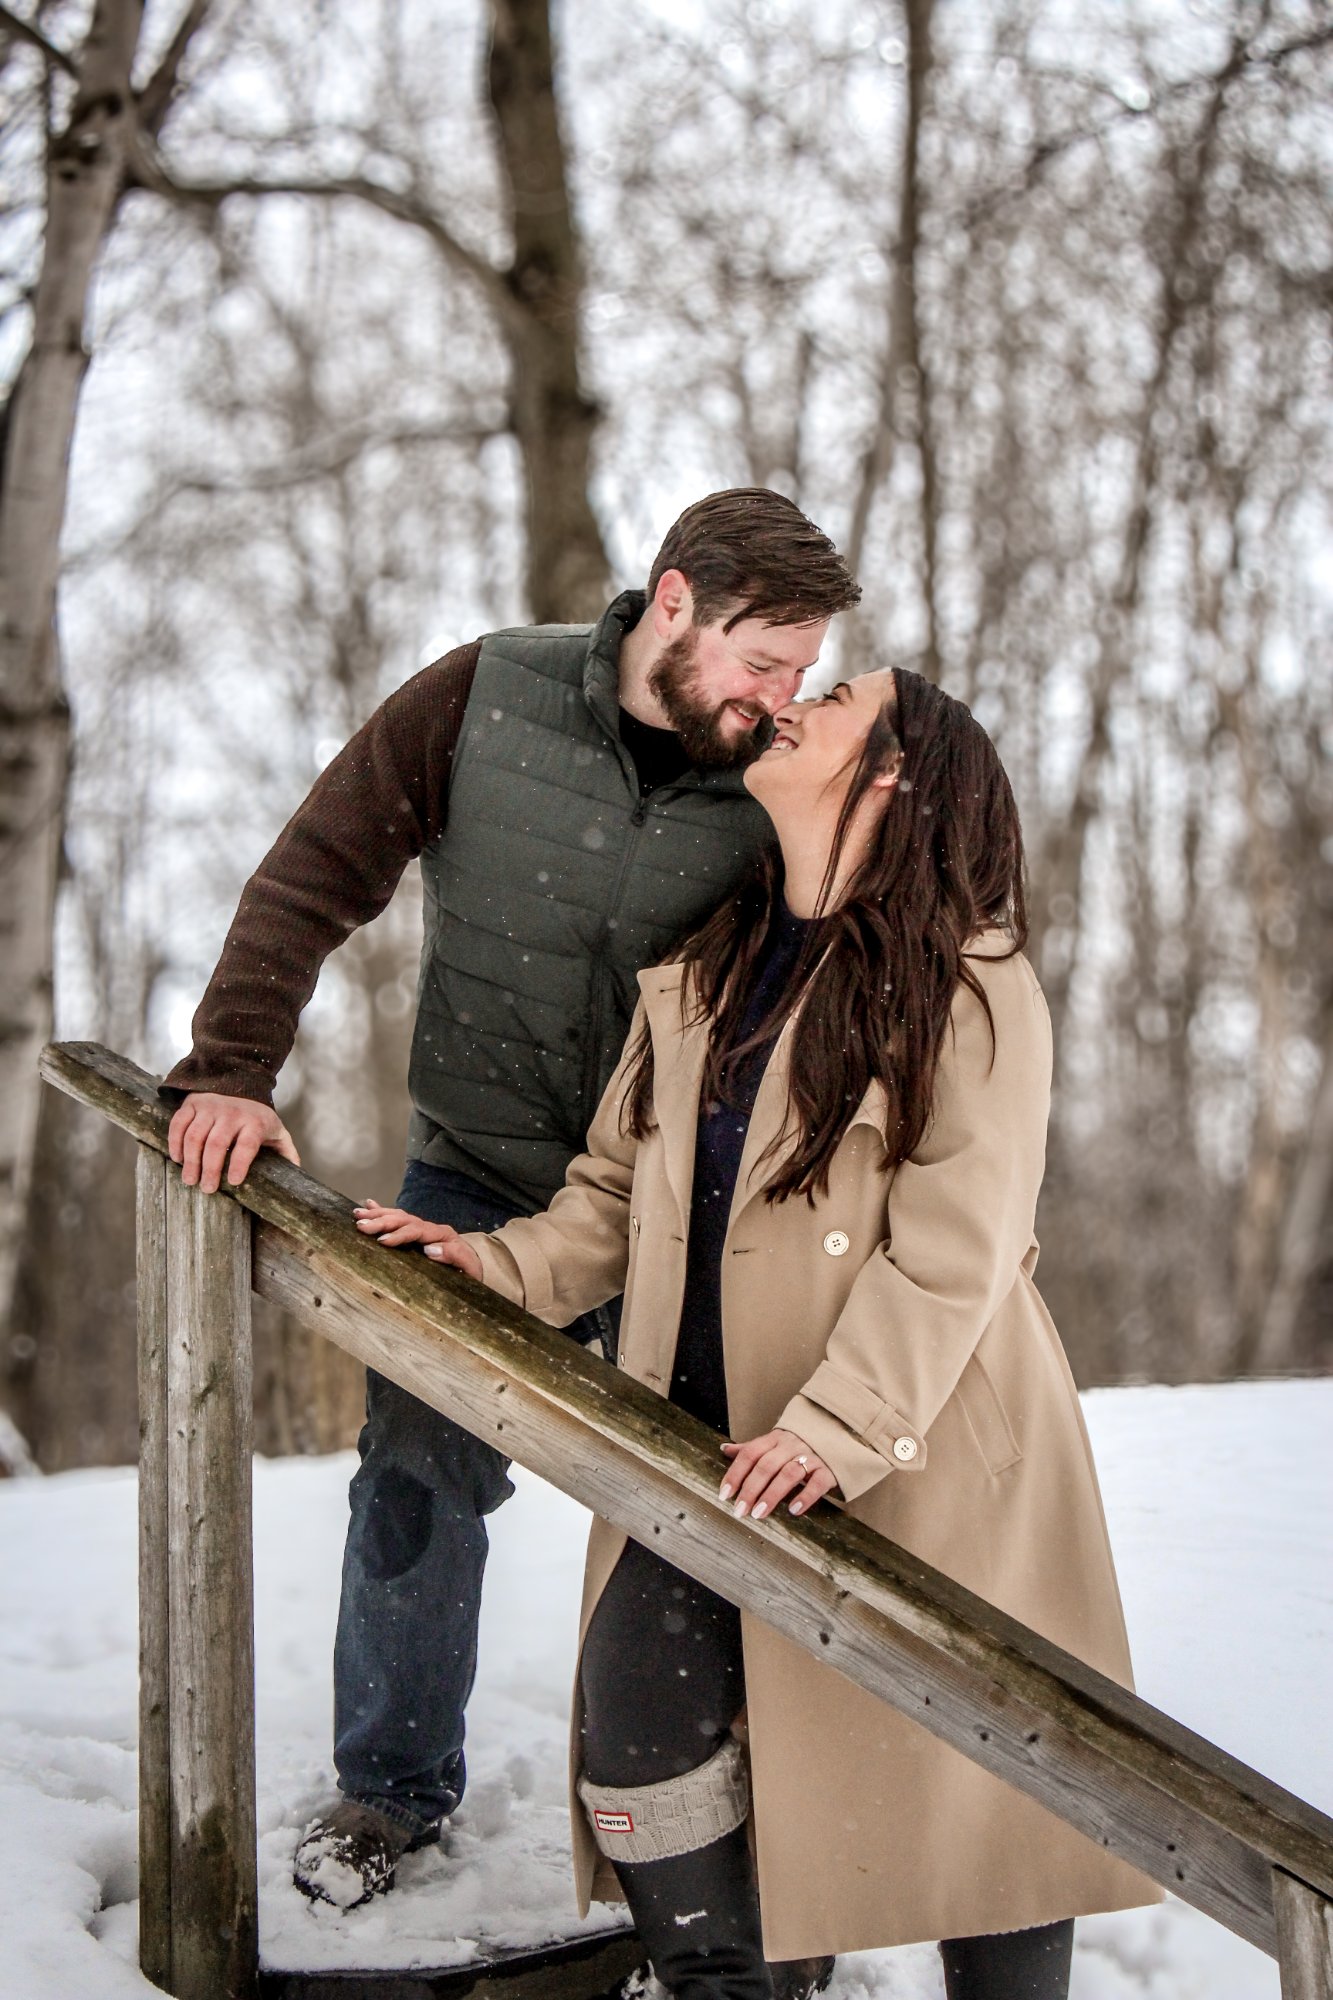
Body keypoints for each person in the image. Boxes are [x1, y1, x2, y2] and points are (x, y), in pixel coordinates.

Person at [357, 665, 1163, 1998]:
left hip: (922, 1449)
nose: (800, 697)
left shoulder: (970, 983)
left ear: (893, 772)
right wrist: (489, 1264)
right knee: (637, 1739)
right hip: (704, 1450)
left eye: (839, 694)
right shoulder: (706, 965)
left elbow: (956, 1247)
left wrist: (835, 1428)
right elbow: (611, 1198)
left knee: (986, 1809)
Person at [160, 489, 862, 1911]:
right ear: (672, 604)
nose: (781, 697)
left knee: (725, 1511)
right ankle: (386, 1794)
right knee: (417, 1473)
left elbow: (855, 956)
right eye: (760, 660)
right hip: (473, 1176)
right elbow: (312, 874)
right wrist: (227, 1067)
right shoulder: (485, 695)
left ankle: (760, 1869)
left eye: (801, 668)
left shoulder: (783, 773)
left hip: (688, 1210)